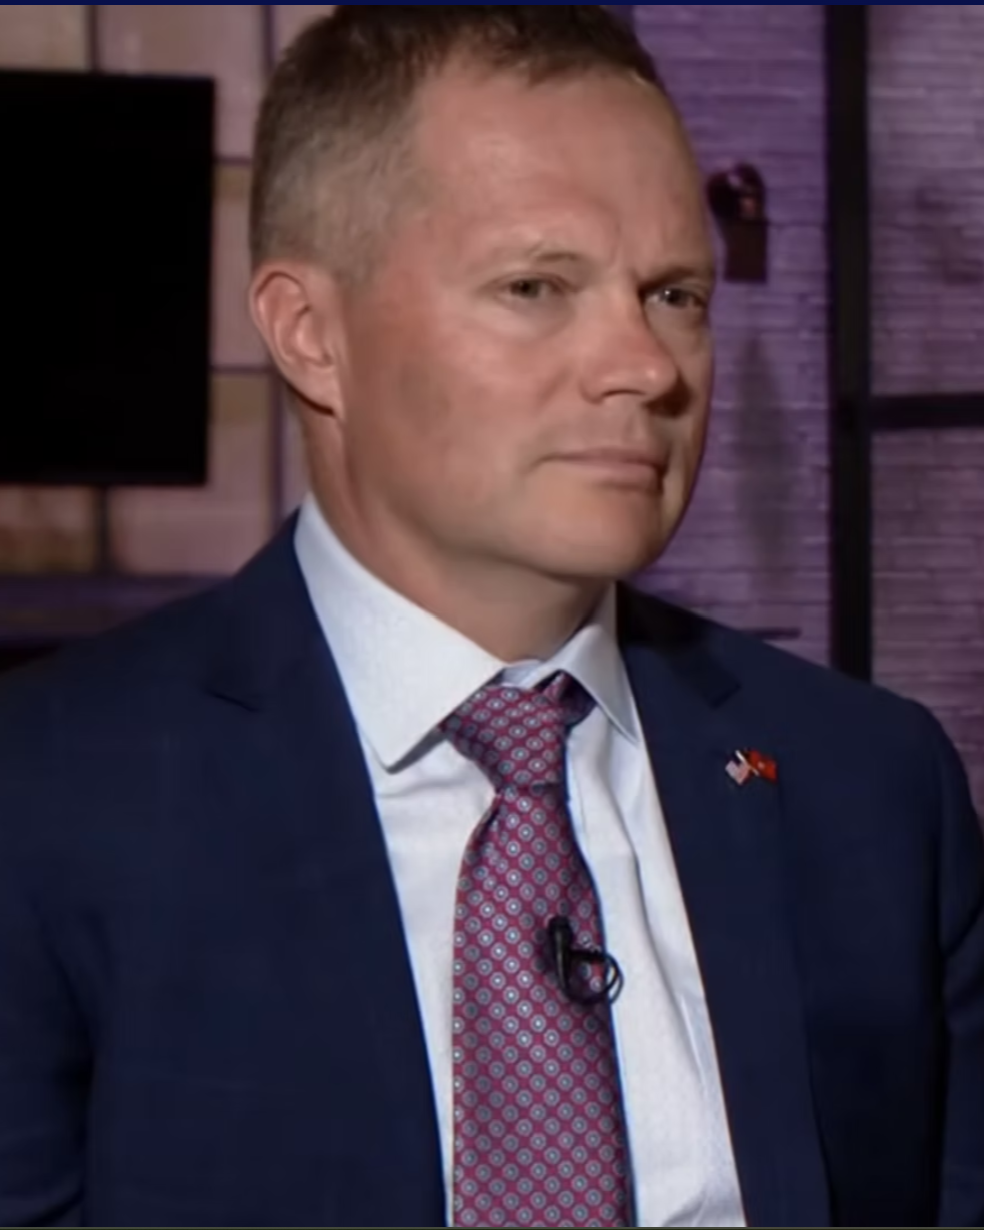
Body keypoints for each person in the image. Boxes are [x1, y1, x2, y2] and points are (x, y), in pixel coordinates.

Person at [0, 6, 981, 1227]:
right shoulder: (46, 800)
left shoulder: (873, 787)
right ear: (310, 334)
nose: (647, 366)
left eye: (674, 293)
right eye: (536, 287)